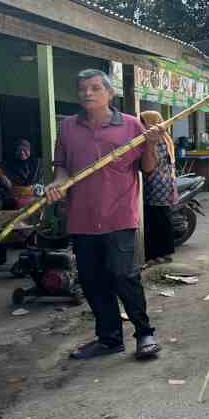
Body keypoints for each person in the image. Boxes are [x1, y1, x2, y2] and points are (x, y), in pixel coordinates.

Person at [46, 69, 166, 361]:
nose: (88, 93)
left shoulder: (130, 126)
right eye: (83, 88)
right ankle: (109, 338)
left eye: (95, 88)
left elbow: (147, 169)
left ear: (110, 94)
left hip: (119, 215)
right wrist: (57, 184)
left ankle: (144, 333)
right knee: (92, 280)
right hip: (82, 217)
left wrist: (150, 143)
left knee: (124, 275)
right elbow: (62, 167)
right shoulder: (67, 129)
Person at [139, 111, 178, 268]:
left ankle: (156, 255)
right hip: (165, 183)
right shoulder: (165, 137)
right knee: (162, 219)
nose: (141, 125)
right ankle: (164, 253)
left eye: (143, 122)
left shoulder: (156, 141)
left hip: (156, 185)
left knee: (155, 221)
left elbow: (149, 166)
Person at [0, 138, 43, 209]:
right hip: (15, 198)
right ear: (16, 151)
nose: (22, 152)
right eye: (19, 150)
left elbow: (41, 185)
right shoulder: (10, 163)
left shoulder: (37, 163)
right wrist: (1, 175)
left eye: (25, 150)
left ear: (30, 150)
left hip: (34, 196)